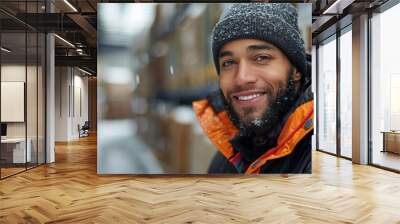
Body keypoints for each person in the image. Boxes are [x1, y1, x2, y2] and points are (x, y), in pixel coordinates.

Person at [192, 3, 314, 174]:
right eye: (228, 63)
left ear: (296, 71)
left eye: (261, 58)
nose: (242, 78)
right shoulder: (226, 160)